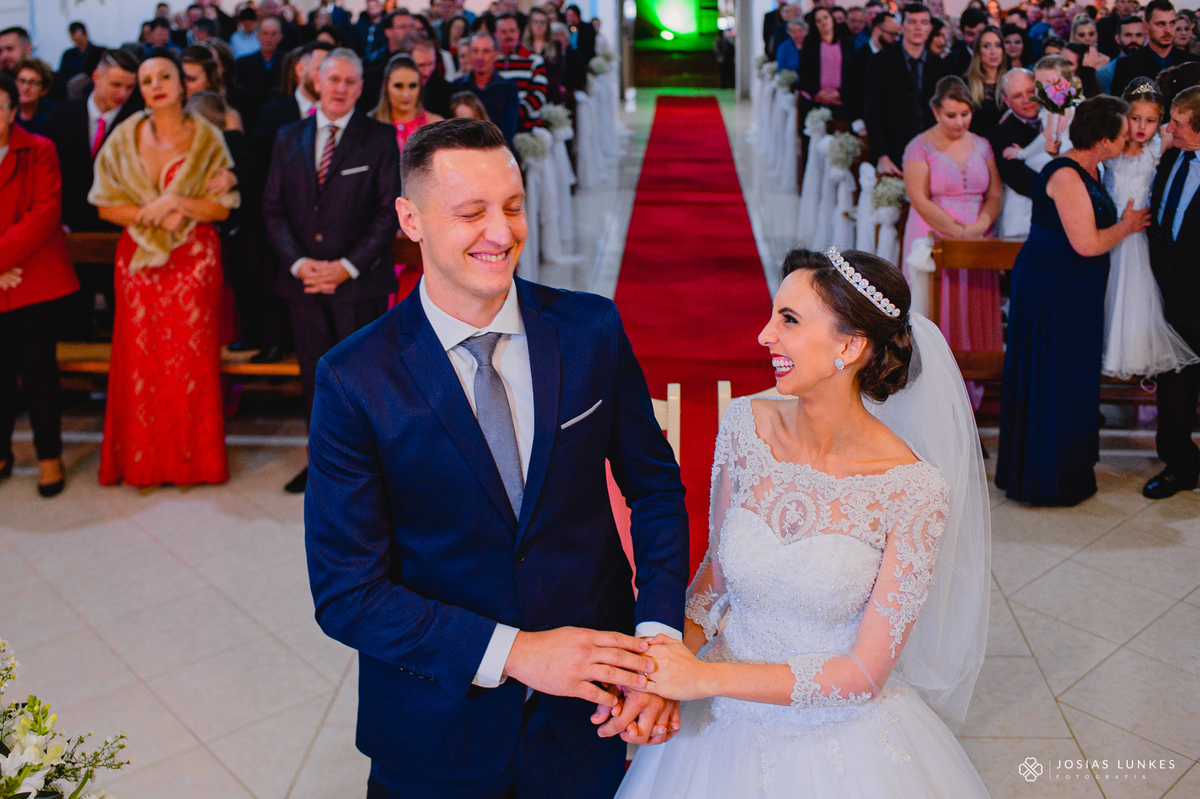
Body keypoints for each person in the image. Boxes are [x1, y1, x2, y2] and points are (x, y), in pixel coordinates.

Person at [304, 117, 689, 797]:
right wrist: (518, 652)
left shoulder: (589, 329)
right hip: (435, 728)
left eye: (513, 207)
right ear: (411, 219)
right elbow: (348, 594)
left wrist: (656, 645)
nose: (501, 232)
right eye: (471, 213)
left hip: (588, 721)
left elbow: (655, 490)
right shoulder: (354, 377)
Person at [616, 246, 991, 799]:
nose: (764, 335)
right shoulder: (745, 425)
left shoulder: (914, 492)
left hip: (837, 740)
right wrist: (660, 677)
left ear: (849, 346)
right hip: (716, 726)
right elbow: (713, 583)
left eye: (788, 320)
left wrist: (705, 678)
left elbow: (864, 675)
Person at [88, 49, 240, 487]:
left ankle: (193, 463)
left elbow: (221, 206)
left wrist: (178, 203)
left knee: (190, 361)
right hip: (138, 259)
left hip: (194, 260)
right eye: (147, 79)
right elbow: (104, 206)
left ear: (182, 84)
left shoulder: (208, 136)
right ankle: (144, 463)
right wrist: (151, 214)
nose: (156, 85)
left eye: (165, 77)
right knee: (141, 361)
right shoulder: (123, 136)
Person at [997, 95, 1150, 506]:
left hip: (1075, 285)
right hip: (1053, 286)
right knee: (1055, 375)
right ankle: (1047, 477)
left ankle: (1070, 468)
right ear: (1102, 140)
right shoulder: (1065, 174)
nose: (1128, 141)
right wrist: (1128, 226)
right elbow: (1087, 244)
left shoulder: (1092, 167)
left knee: (1074, 375)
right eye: (1122, 135)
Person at [262, 47, 400, 494]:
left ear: (361, 88)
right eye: (333, 79)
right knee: (316, 380)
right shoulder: (288, 136)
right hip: (303, 285)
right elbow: (273, 208)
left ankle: (370, 471)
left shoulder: (379, 138)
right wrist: (300, 263)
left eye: (349, 81)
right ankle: (322, 465)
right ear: (316, 82)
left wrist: (346, 267)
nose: (340, 88)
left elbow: (387, 212)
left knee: (364, 381)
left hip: (359, 285)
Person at [0, 74, 80, 498]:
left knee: (38, 374)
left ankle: (49, 456)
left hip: (35, 278)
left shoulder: (39, 149)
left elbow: (44, 214)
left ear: (13, 111)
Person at [902, 76, 1003, 382]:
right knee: (941, 305)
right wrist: (957, 232)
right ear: (935, 112)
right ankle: (936, 380)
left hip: (978, 234)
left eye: (965, 114)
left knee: (974, 303)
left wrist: (980, 226)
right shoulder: (919, 146)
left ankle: (977, 377)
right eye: (951, 115)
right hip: (934, 233)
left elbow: (994, 194)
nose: (959, 122)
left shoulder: (983, 145)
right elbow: (918, 198)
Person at [1101, 77, 1198, 381]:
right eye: (1135, 118)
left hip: (1141, 245)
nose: (1143, 127)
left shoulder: (1159, 149)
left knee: (1139, 308)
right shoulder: (1110, 149)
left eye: (1152, 120)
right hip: (1110, 241)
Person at [1144, 86, 1200, 498]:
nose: (1169, 129)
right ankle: (1179, 465)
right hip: (1171, 294)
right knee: (1175, 385)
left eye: (1178, 123)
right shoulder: (1170, 157)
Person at [866, 3, 953, 177]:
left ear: (930, 28)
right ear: (901, 27)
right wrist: (882, 155)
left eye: (923, 22)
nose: (918, 27)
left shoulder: (941, 67)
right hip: (894, 153)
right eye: (912, 22)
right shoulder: (880, 62)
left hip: (933, 153)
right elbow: (873, 111)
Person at [990, 69, 1044, 233]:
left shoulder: (1057, 118)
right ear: (1006, 101)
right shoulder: (1001, 133)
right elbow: (1019, 179)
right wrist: (1059, 189)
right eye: (1017, 96)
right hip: (1023, 219)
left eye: (1031, 92)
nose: (1027, 100)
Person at [1112, 0, 1200, 96]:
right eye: (1161, 24)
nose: (1168, 30)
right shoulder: (1126, 65)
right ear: (1145, 27)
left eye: (1172, 23)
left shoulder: (1193, 63)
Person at [452, 31, 520, 146]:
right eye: (475, 51)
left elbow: (506, 133)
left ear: (496, 55)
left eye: (486, 51)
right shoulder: (456, 87)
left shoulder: (509, 88)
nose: (480, 57)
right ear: (469, 54)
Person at [842, 11, 900, 126]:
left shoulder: (897, 56)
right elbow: (849, 91)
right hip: (865, 120)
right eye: (892, 34)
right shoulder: (857, 57)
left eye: (898, 34)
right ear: (877, 30)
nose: (896, 39)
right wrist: (857, 121)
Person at [494, 13, 548, 131]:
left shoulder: (534, 60)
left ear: (518, 33)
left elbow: (539, 96)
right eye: (503, 32)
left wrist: (513, 113)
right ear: (496, 34)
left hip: (526, 127)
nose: (508, 35)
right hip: (494, 126)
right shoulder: (490, 61)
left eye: (512, 31)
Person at [798, 7, 854, 119]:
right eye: (818, 20)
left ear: (832, 19)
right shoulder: (809, 43)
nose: (823, 22)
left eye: (825, 18)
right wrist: (817, 92)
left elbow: (852, 72)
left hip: (840, 100)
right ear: (815, 25)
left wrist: (840, 93)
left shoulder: (846, 43)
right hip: (816, 99)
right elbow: (803, 71)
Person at [235, 15, 286, 114]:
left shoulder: (287, 61)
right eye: (265, 33)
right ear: (258, 35)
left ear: (280, 37)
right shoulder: (243, 63)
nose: (269, 38)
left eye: (273, 34)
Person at [965, 25, 1007, 133]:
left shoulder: (1010, 82)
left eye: (998, 45)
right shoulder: (966, 85)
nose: (993, 52)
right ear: (978, 51)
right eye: (986, 46)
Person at [1097, 15, 1147, 93]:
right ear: (1118, 39)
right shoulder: (1106, 74)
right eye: (1128, 35)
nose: (1134, 40)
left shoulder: (1155, 65)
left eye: (1138, 35)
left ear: (1145, 38)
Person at [524, 7, 564, 104]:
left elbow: (559, 71)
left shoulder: (556, 46)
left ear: (547, 26)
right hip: (528, 94)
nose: (539, 26)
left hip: (550, 93)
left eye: (542, 22)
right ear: (530, 24)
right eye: (536, 22)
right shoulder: (523, 47)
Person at [58, 22, 99, 97]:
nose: (79, 42)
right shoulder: (68, 55)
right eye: (75, 39)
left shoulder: (97, 52)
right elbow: (62, 75)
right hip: (72, 92)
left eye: (80, 38)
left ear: (86, 35)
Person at [13, 59, 54, 136]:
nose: (25, 88)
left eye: (33, 82)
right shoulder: (8, 110)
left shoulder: (52, 116)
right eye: (21, 81)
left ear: (44, 89)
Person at [949, 5, 989, 72]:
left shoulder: (996, 55)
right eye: (970, 34)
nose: (976, 38)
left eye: (980, 33)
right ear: (962, 33)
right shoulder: (954, 60)